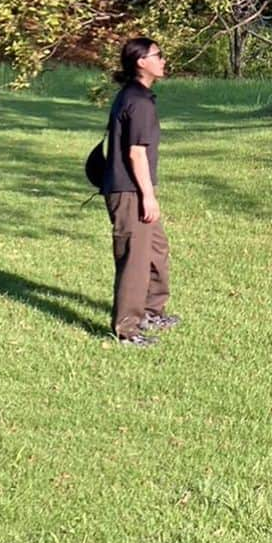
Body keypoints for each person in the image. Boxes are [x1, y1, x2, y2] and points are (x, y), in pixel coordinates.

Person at [102, 36, 181, 347]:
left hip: (132, 188)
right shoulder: (138, 102)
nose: (163, 61)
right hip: (129, 191)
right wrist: (148, 196)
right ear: (141, 62)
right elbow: (136, 153)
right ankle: (127, 329)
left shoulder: (137, 97)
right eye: (157, 55)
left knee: (156, 249)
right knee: (135, 260)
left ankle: (151, 311)